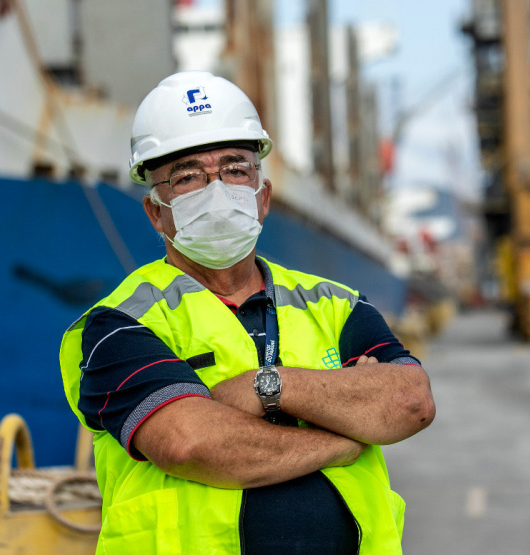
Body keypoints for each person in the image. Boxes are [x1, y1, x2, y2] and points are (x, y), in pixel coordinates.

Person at [60, 71, 435, 554]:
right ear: (156, 212)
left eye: (236, 168)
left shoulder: (336, 303)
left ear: (263, 198)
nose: (216, 191)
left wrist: (268, 386)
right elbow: (189, 443)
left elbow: (410, 402)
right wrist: (342, 436)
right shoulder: (120, 324)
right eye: (188, 176)